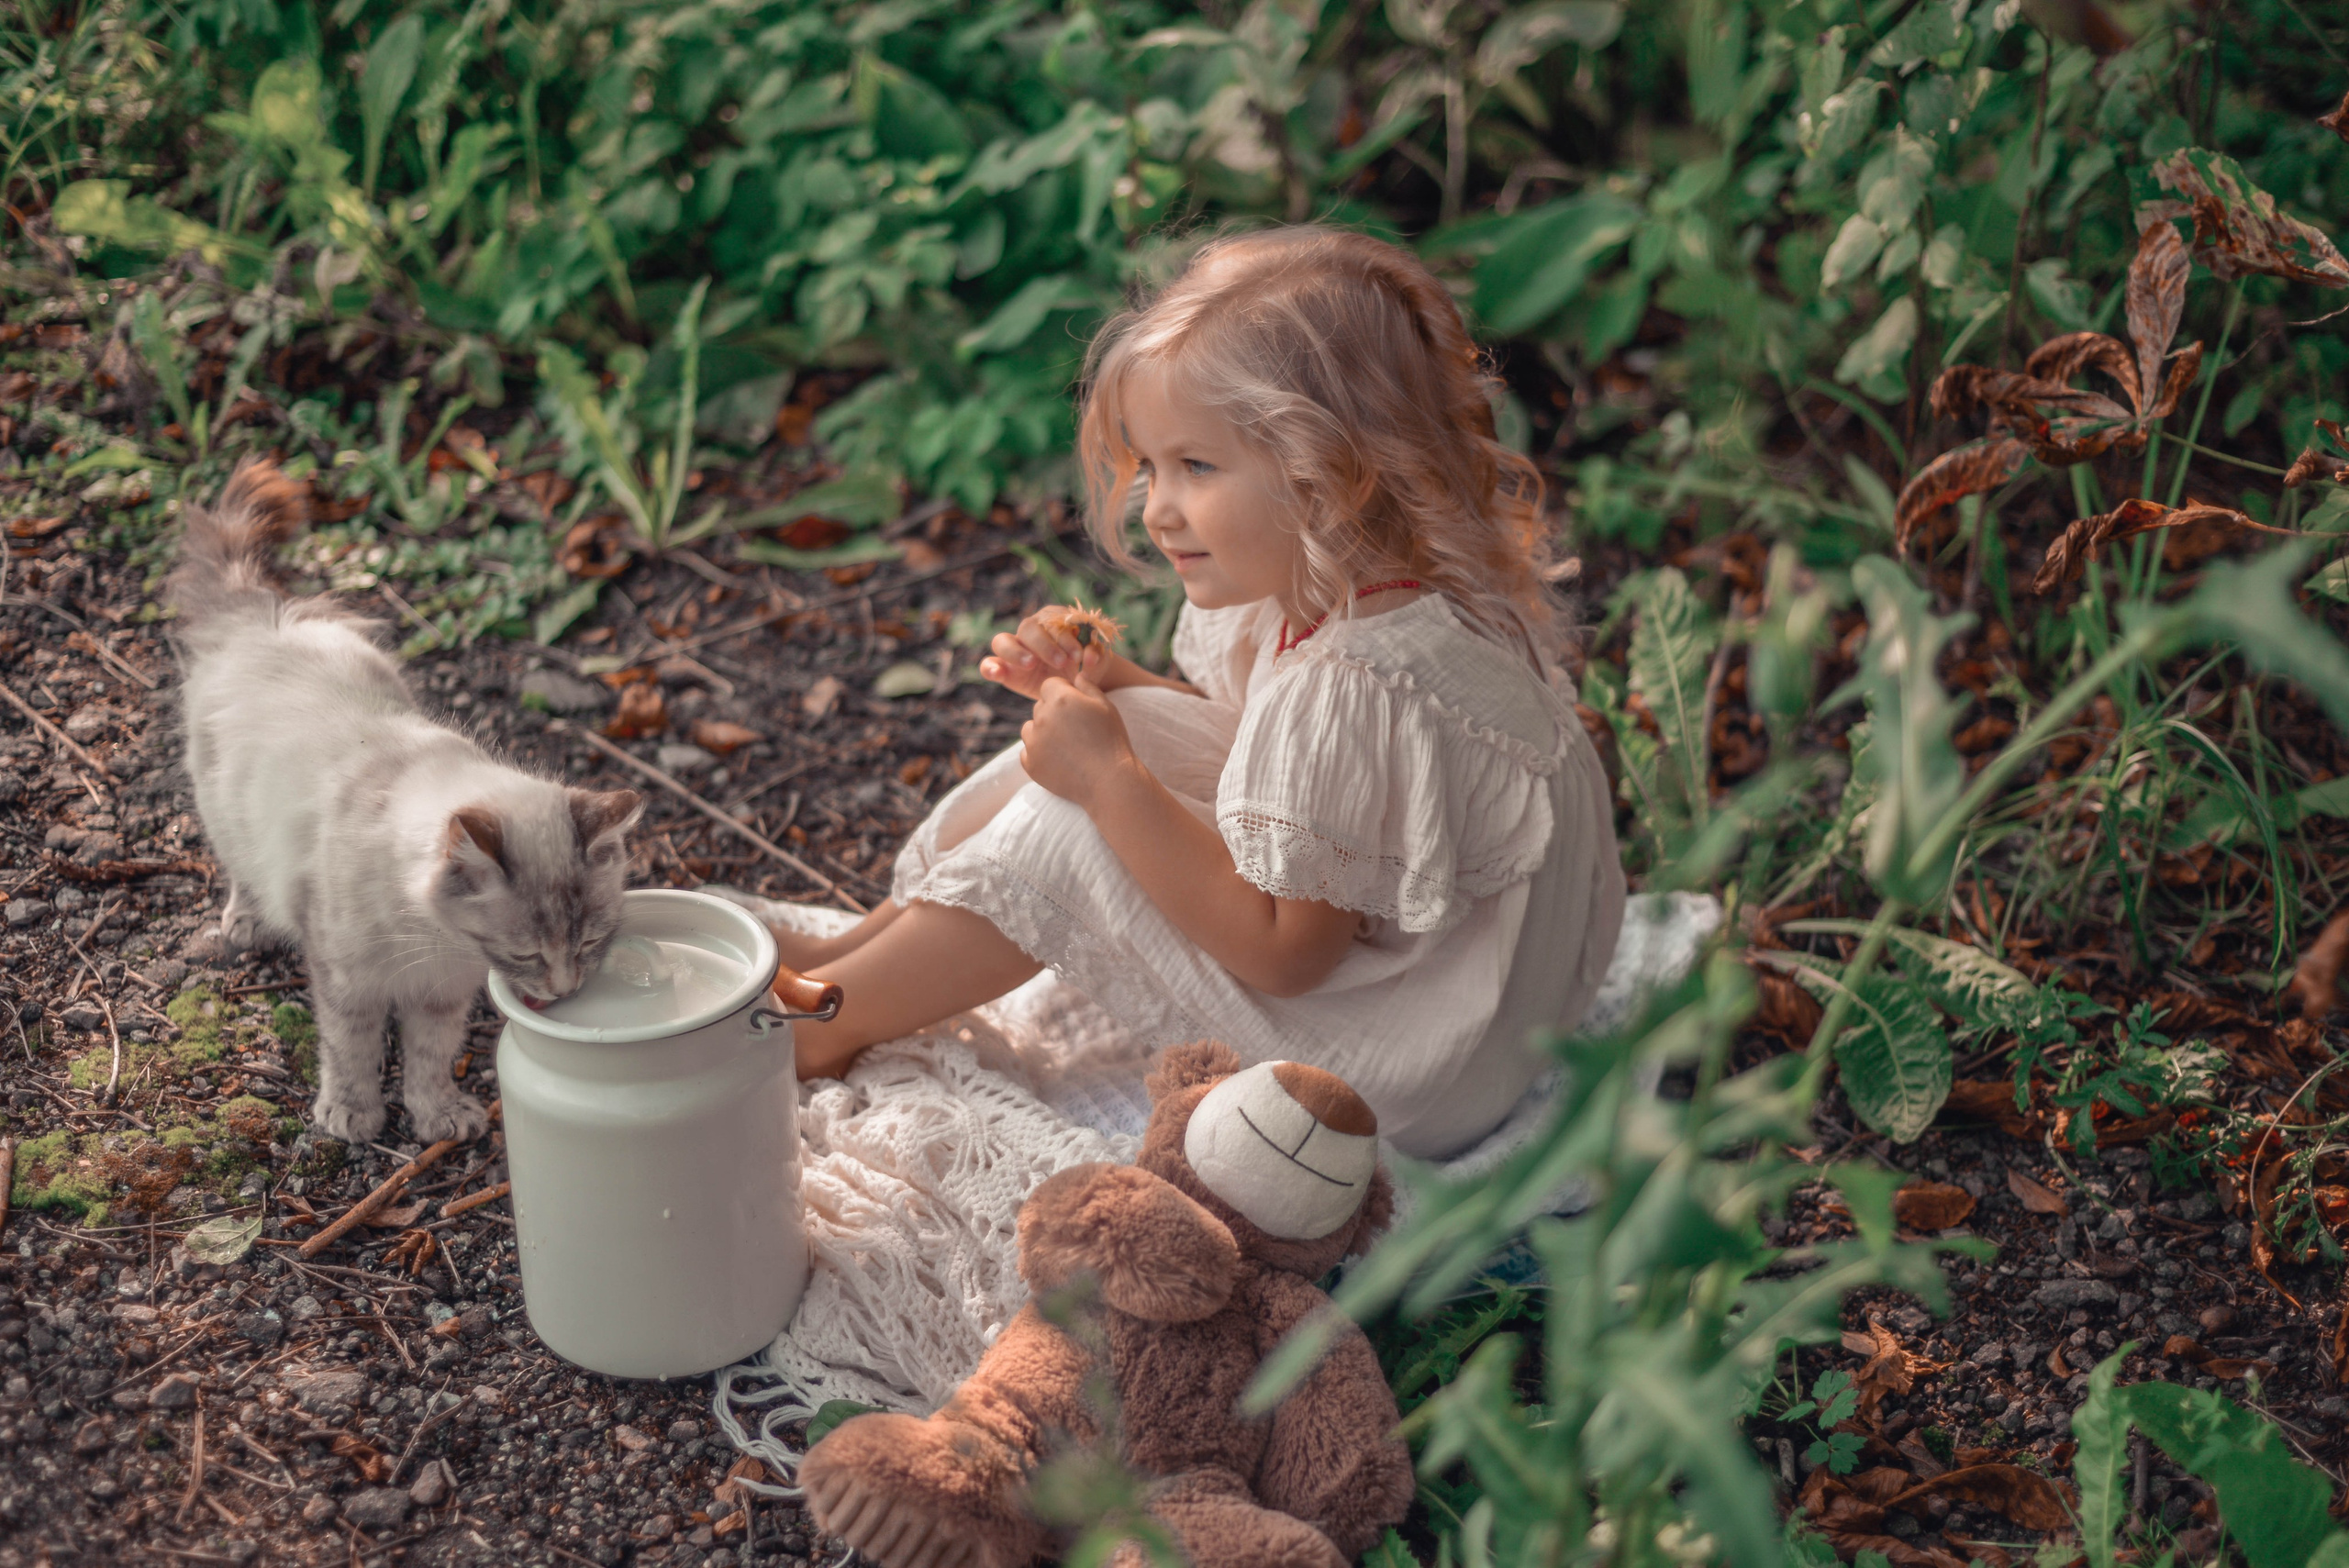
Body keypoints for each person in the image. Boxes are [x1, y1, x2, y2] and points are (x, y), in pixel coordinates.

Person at [768, 224, 1624, 1159]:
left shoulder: (1351, 681)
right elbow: (1270, 773)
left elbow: (1285, 953)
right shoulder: (1371, 596)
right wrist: (1113, 688)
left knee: (1074, 823)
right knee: (1126, 727)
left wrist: (1109, 783)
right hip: (1468, 1018)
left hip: (1404, 1078)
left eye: (1196, 467)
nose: (1156, 506)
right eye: (1149, 467)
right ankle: (844, 964)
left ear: (1332, 470)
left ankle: (827, 1024)